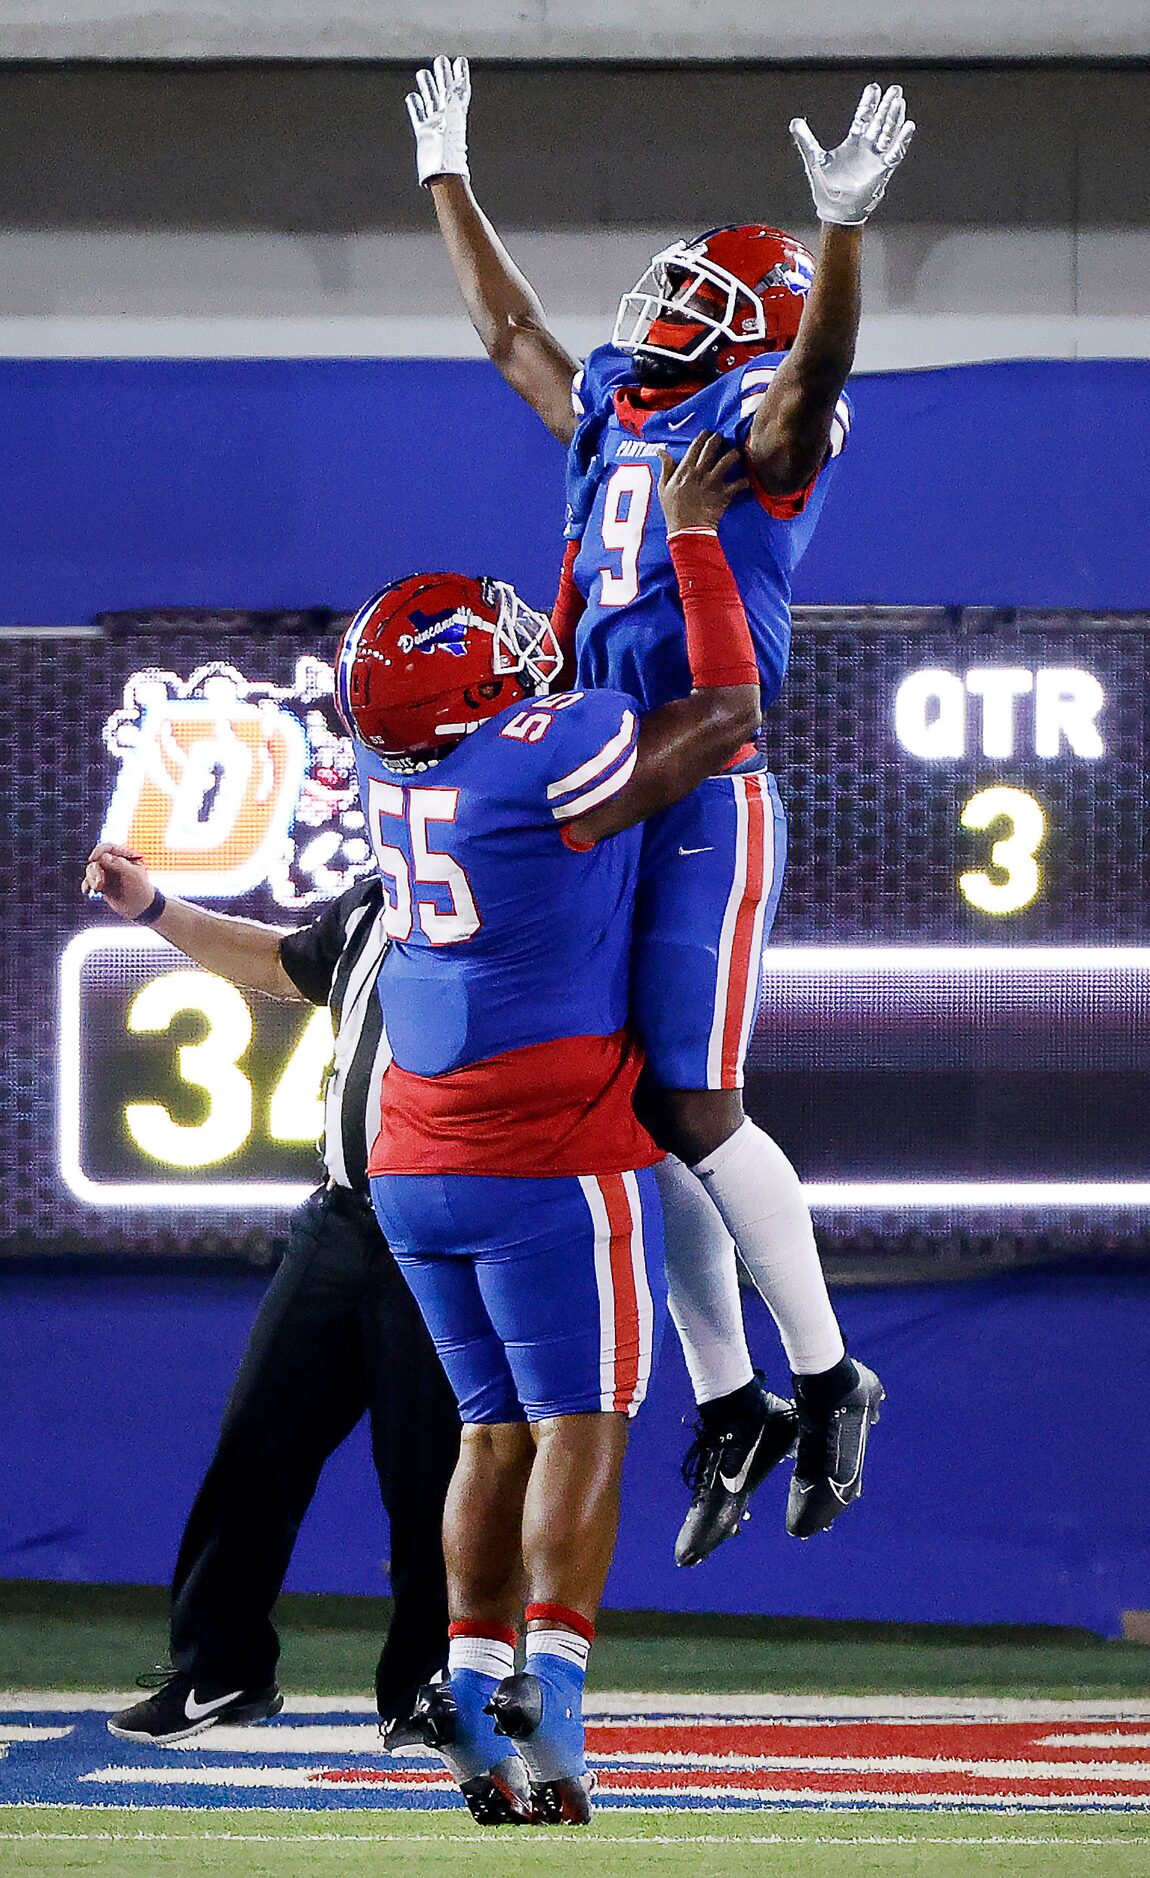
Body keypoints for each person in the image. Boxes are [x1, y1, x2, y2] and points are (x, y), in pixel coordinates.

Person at [404, 59, 915, 1559]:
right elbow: (510, 338)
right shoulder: (626, 411)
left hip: (706, 787)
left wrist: (842, 238)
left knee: (692, 1102)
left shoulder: (757, 426)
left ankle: (827, 1379)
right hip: (607, 781)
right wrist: (448, 174)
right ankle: (734, 1394)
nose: (671, 304)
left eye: (705, 293)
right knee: (628, 1116)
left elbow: (811, 385)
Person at [338, 436, 761, 1826]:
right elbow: (719, 719)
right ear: (477, 689)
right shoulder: (541, 753)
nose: (531, 645)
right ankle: (559, 1693)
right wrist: (693, 539)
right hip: (545, 1153)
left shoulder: (385, 762)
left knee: (487, 1430)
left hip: (411, 1159)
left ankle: (465, 1681)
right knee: (584, 1419)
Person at [79, 853, 461, 1746]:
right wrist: (156, 908)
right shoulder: (379, 893)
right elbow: (279, 963)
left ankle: (427, 1685)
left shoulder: (513, 892)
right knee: (257, 1438)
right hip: (340, 1216)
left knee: (430, 1470)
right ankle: (220, 1668)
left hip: (442, 1225)